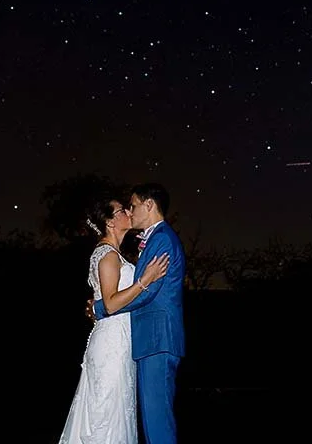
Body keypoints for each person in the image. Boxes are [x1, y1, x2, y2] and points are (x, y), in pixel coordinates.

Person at [59, 195, 170, 444]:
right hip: (112, 345)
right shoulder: (107, 255)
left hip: (119, 341)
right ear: (110, 222)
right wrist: (146, 279)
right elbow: (110, 303)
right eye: (122, 210)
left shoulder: (114, 254)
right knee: (107, 413)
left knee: (119, 410)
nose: (129, 212)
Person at [89, 183, 186, 444]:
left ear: (149, 205)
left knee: (157, 421)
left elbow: (148, 291)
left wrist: (100, 308)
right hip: (147, 340)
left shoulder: (162, 238)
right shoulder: (153, 239)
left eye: (133, 205)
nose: (130, 212)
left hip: (157, 339)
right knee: (151, 420)